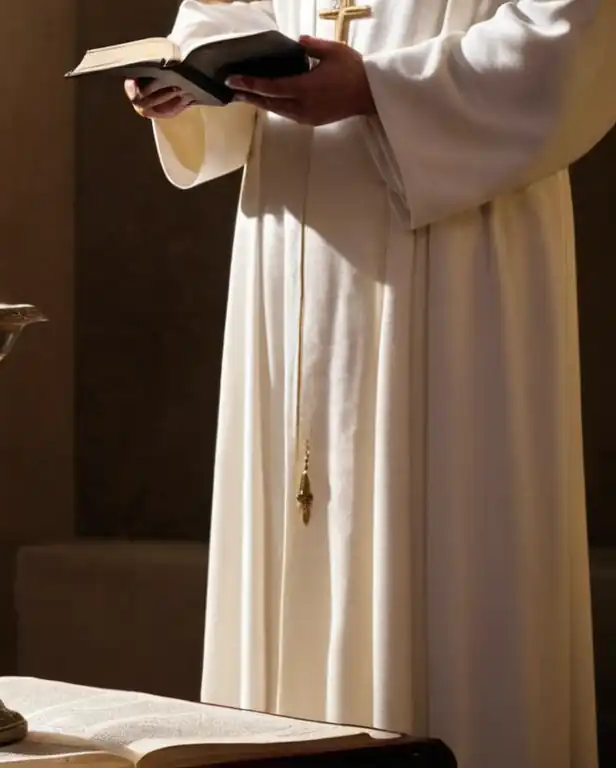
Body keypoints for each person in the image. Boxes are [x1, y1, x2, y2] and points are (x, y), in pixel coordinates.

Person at [124, 2, 616, 766]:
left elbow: (571, 32)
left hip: (455, 225)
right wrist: (195, 74)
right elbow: (223, 11)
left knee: (447, 518)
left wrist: (382, 89)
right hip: (290, 229)